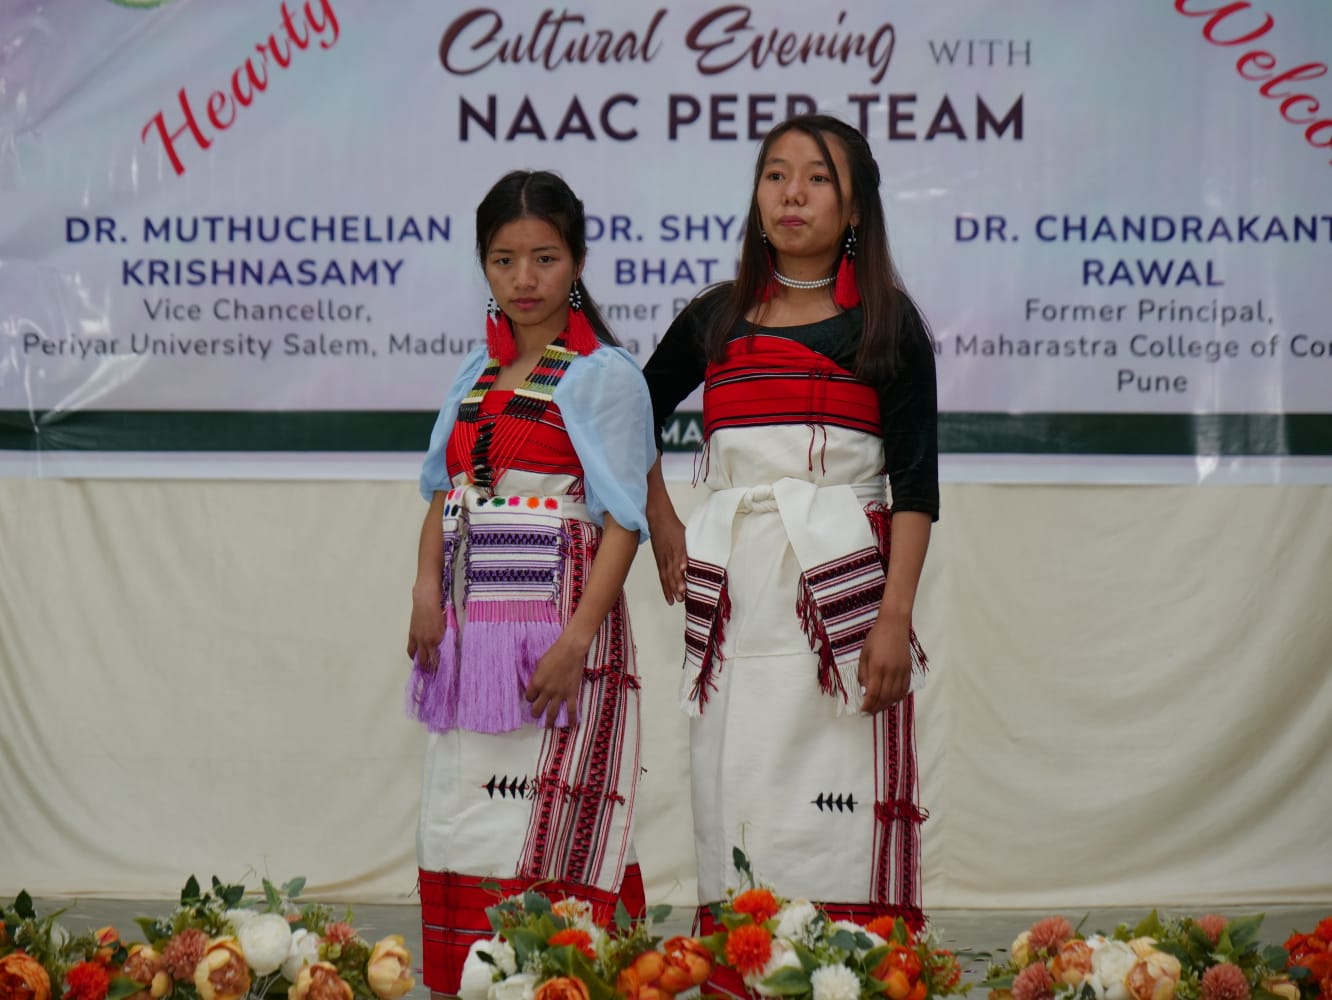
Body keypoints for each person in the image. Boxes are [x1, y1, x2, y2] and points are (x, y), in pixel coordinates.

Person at [642, 114, 939, 957]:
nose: (792, 194)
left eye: (816, 178)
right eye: (775, 175)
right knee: (736, 784)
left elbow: (916, 488)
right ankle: (741, 962)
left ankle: (849, 970)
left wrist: (894, 617)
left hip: (843, 603)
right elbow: (627, 418)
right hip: (737, 596)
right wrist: (663, 520)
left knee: (838, 790)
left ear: (855, 208)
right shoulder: (716, 318)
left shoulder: (886, 325)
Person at [406, 170, 656, 998]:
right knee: (469, 815)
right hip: (469, 643)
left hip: (558, 633)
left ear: (576, 261)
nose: (524, 278)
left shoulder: (603, 375)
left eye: (544, 258)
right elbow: (445, 495)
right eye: (504, 259)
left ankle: (565, 980)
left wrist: (577, 642)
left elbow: (623, 521)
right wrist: (425, 594)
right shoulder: (475, 375)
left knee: (552, 819)